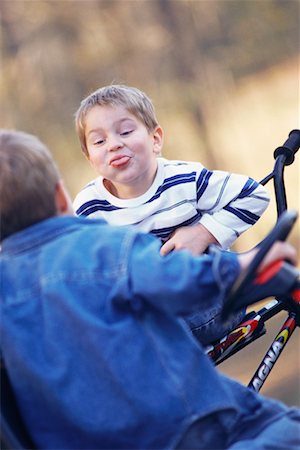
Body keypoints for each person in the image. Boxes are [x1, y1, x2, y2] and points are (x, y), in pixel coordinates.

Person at [1, 129, 299, 450]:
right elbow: (175, 279)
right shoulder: (104, 247)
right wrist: (242, 266)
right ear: (61, 197)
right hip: (180, 426)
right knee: (278, 429)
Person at [73, 84, 270, 344]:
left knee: (152, 338)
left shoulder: (183, 179)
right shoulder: (89, 208)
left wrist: (203, 233)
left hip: (213, 298)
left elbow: (254, 195)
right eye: (99, 141)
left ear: (155, 139)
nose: (114, 144)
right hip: (149, 314)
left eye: (126, 131)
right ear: (90, 158)